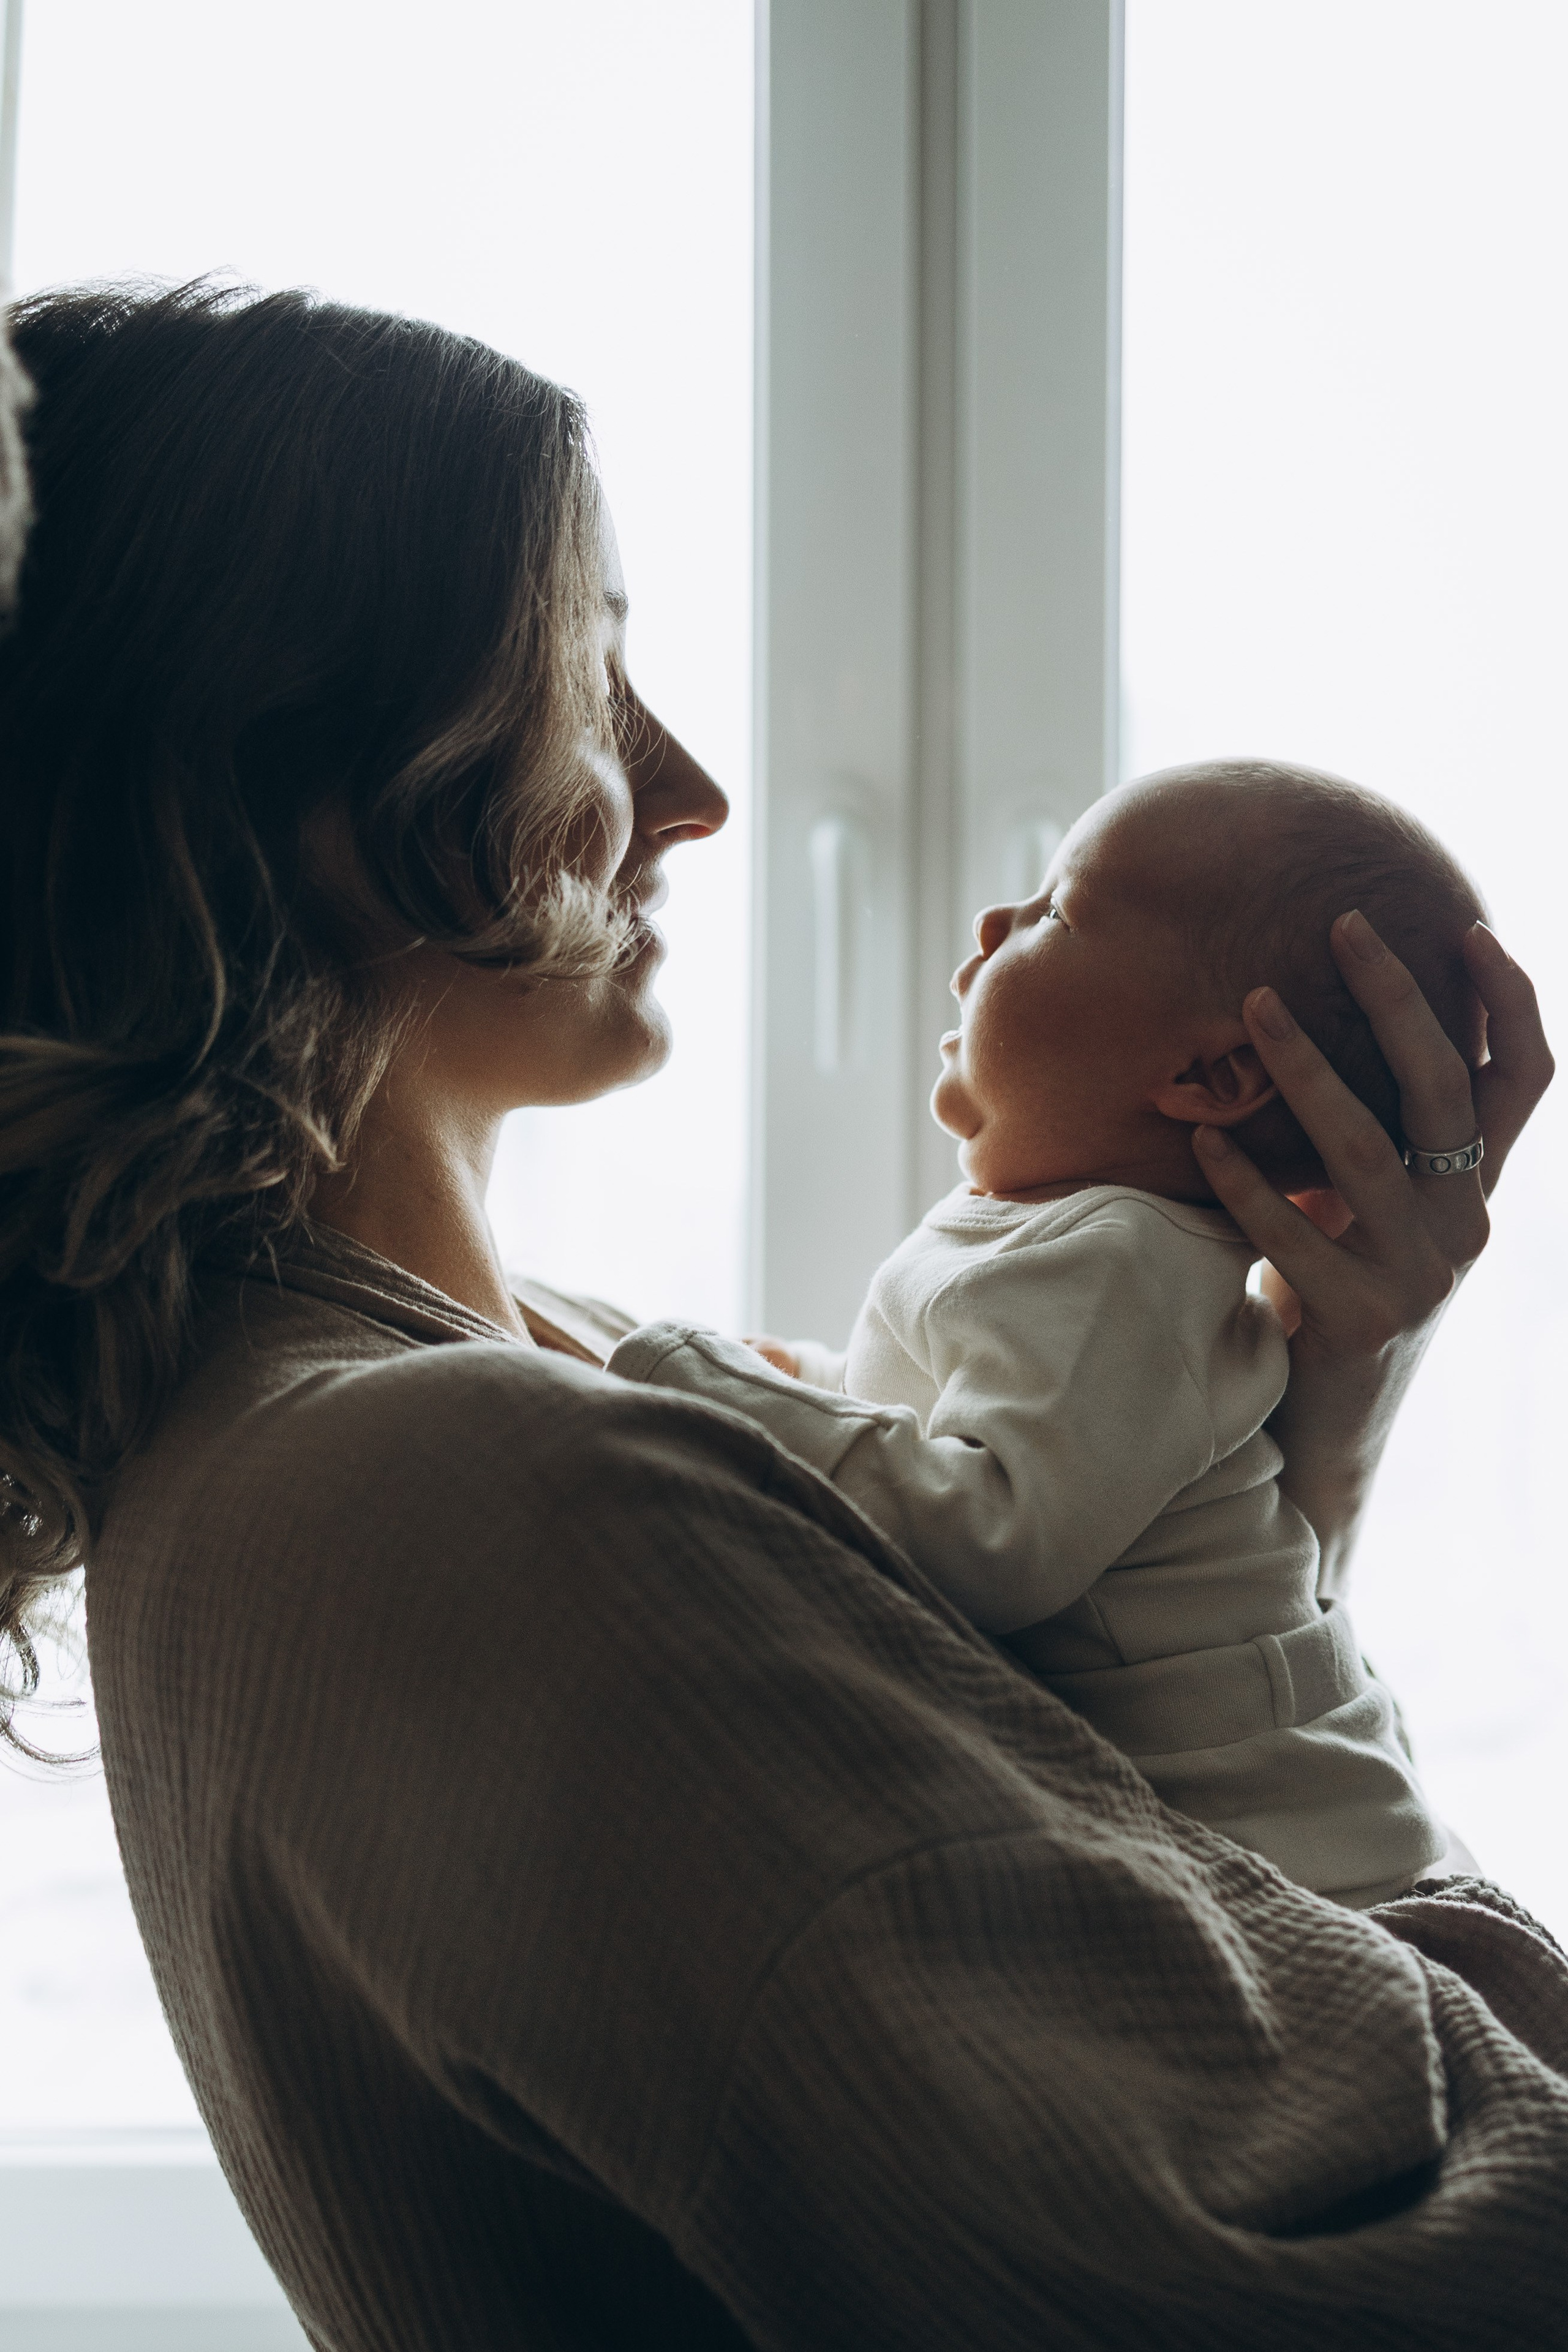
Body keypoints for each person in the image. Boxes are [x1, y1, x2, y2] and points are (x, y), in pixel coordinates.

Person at [0, 281, 1562, 2352]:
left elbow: (1067, 1843)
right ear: (316, 779)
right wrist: (1476, 1964)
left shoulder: (457, 1382)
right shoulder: (480, 1491)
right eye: (586, 671)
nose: (698, 788)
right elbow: (1368, 2283)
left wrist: (1303, 1417)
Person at [608, 763, 1488, 1910]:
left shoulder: (1120, 1263)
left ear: (1207, 1074)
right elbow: (963, 1420)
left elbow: (995, 1537)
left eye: (1056, 911)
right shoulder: (1102, 1257)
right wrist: (813, 1385)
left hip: (1301, 1868)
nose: (992, 922)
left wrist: (708, 1384)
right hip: (1261, 1839)